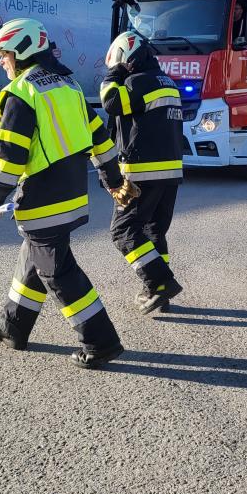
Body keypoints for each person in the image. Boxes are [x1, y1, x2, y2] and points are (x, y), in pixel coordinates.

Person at [0, 18, 126, 370]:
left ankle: (101, 342)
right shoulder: (69, 85)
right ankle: (13, 327)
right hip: (71, 193)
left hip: (43, 199)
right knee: (35, 259)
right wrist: (112, 178)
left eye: (4, 55)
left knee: (58, 272)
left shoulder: (21, 92)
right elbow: (100, 138)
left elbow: (9, 153)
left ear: (22, 51)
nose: (2, 62)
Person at [100, 30, 185, 315]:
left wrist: (113, 74)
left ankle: (161, 283)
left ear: (126, 57)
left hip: (142, 172)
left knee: (123, 231)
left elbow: (111, 102)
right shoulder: (167, 81)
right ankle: (158, 293)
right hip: (170, 172)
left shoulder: (138, 82)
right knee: (154, 231)